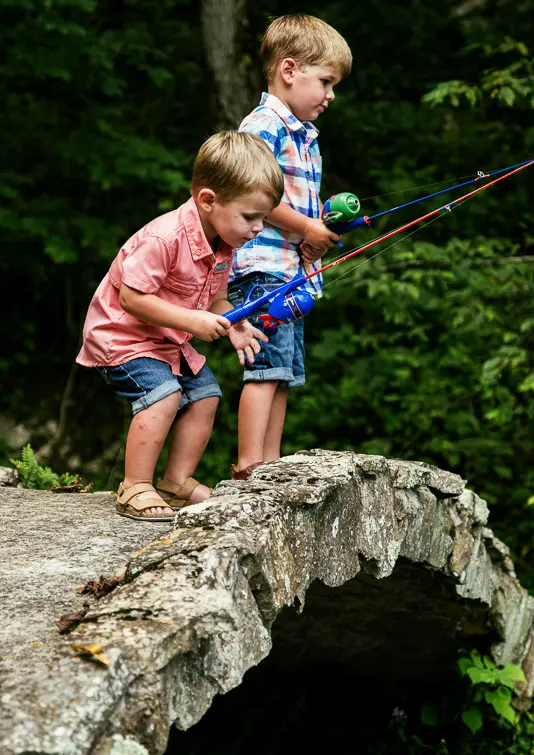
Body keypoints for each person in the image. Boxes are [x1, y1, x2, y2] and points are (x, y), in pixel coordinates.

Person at [77, 132, 280, 521]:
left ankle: (176, 483)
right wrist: (193, 321)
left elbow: (217, 300)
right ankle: (135, 486)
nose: (258, 228)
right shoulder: (164, 237)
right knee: (164, 393)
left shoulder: (224, 245)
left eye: (263, 218)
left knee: (205, 394)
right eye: (250, 217)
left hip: (167, 342)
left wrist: (233, 323)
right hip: (121, 337)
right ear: (208, 200)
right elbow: (132, 298)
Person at [227, 13, 353, 480]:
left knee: (281, 372)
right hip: (262, 267)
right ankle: (248, 466)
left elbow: (297, 203)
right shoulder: (265, 124)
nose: (330, 95)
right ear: (289, 69)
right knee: (264, 370)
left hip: (289, 271)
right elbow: (249, 191)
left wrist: (316, 231)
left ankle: (271, 467)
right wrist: (306, 227)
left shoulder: (305, 136)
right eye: (325, 81)